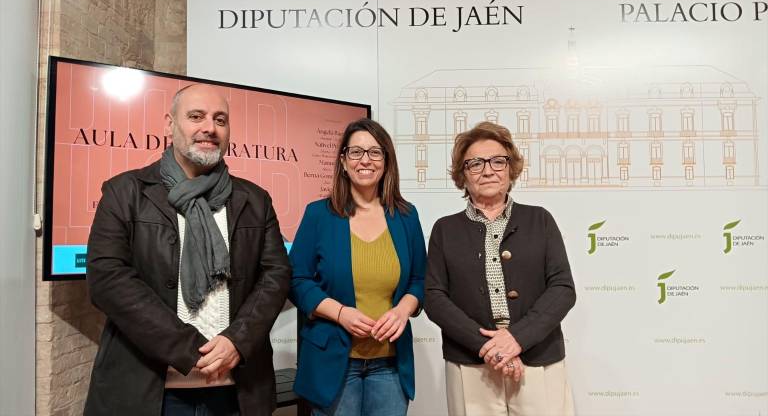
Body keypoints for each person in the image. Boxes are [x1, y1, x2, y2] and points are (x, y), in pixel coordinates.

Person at [84, 84, 292, 415]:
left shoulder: (255, 200)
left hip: (237, 392)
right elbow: (108, 280)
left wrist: (237, 342)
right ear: (169, 124)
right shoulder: (125, 192)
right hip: (149, 394)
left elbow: (276, 275)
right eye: (196, 116)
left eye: (220, 119)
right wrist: (191, 349)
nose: (209, 127)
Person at [424, 122, 576, 416]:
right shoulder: (445, 229)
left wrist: (516, 338)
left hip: (537, 360)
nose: (488, 170)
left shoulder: (540, 220)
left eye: (498, 161)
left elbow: (562, 288)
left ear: (510, 168)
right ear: (463, 174)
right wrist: (489, 346)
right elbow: (434, 296)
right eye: (476, 163)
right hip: (471, 364)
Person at [289, 118, 426, 416]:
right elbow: (297, 280)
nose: (365, 160)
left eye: (375, 152)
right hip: (334, 365)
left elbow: (418, 280)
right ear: (342, 161)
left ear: (386, 161)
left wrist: (402, 310)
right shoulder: (318, 215)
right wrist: (340, 313)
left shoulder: (406, 216)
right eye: (356, 152)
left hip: (390, 365)